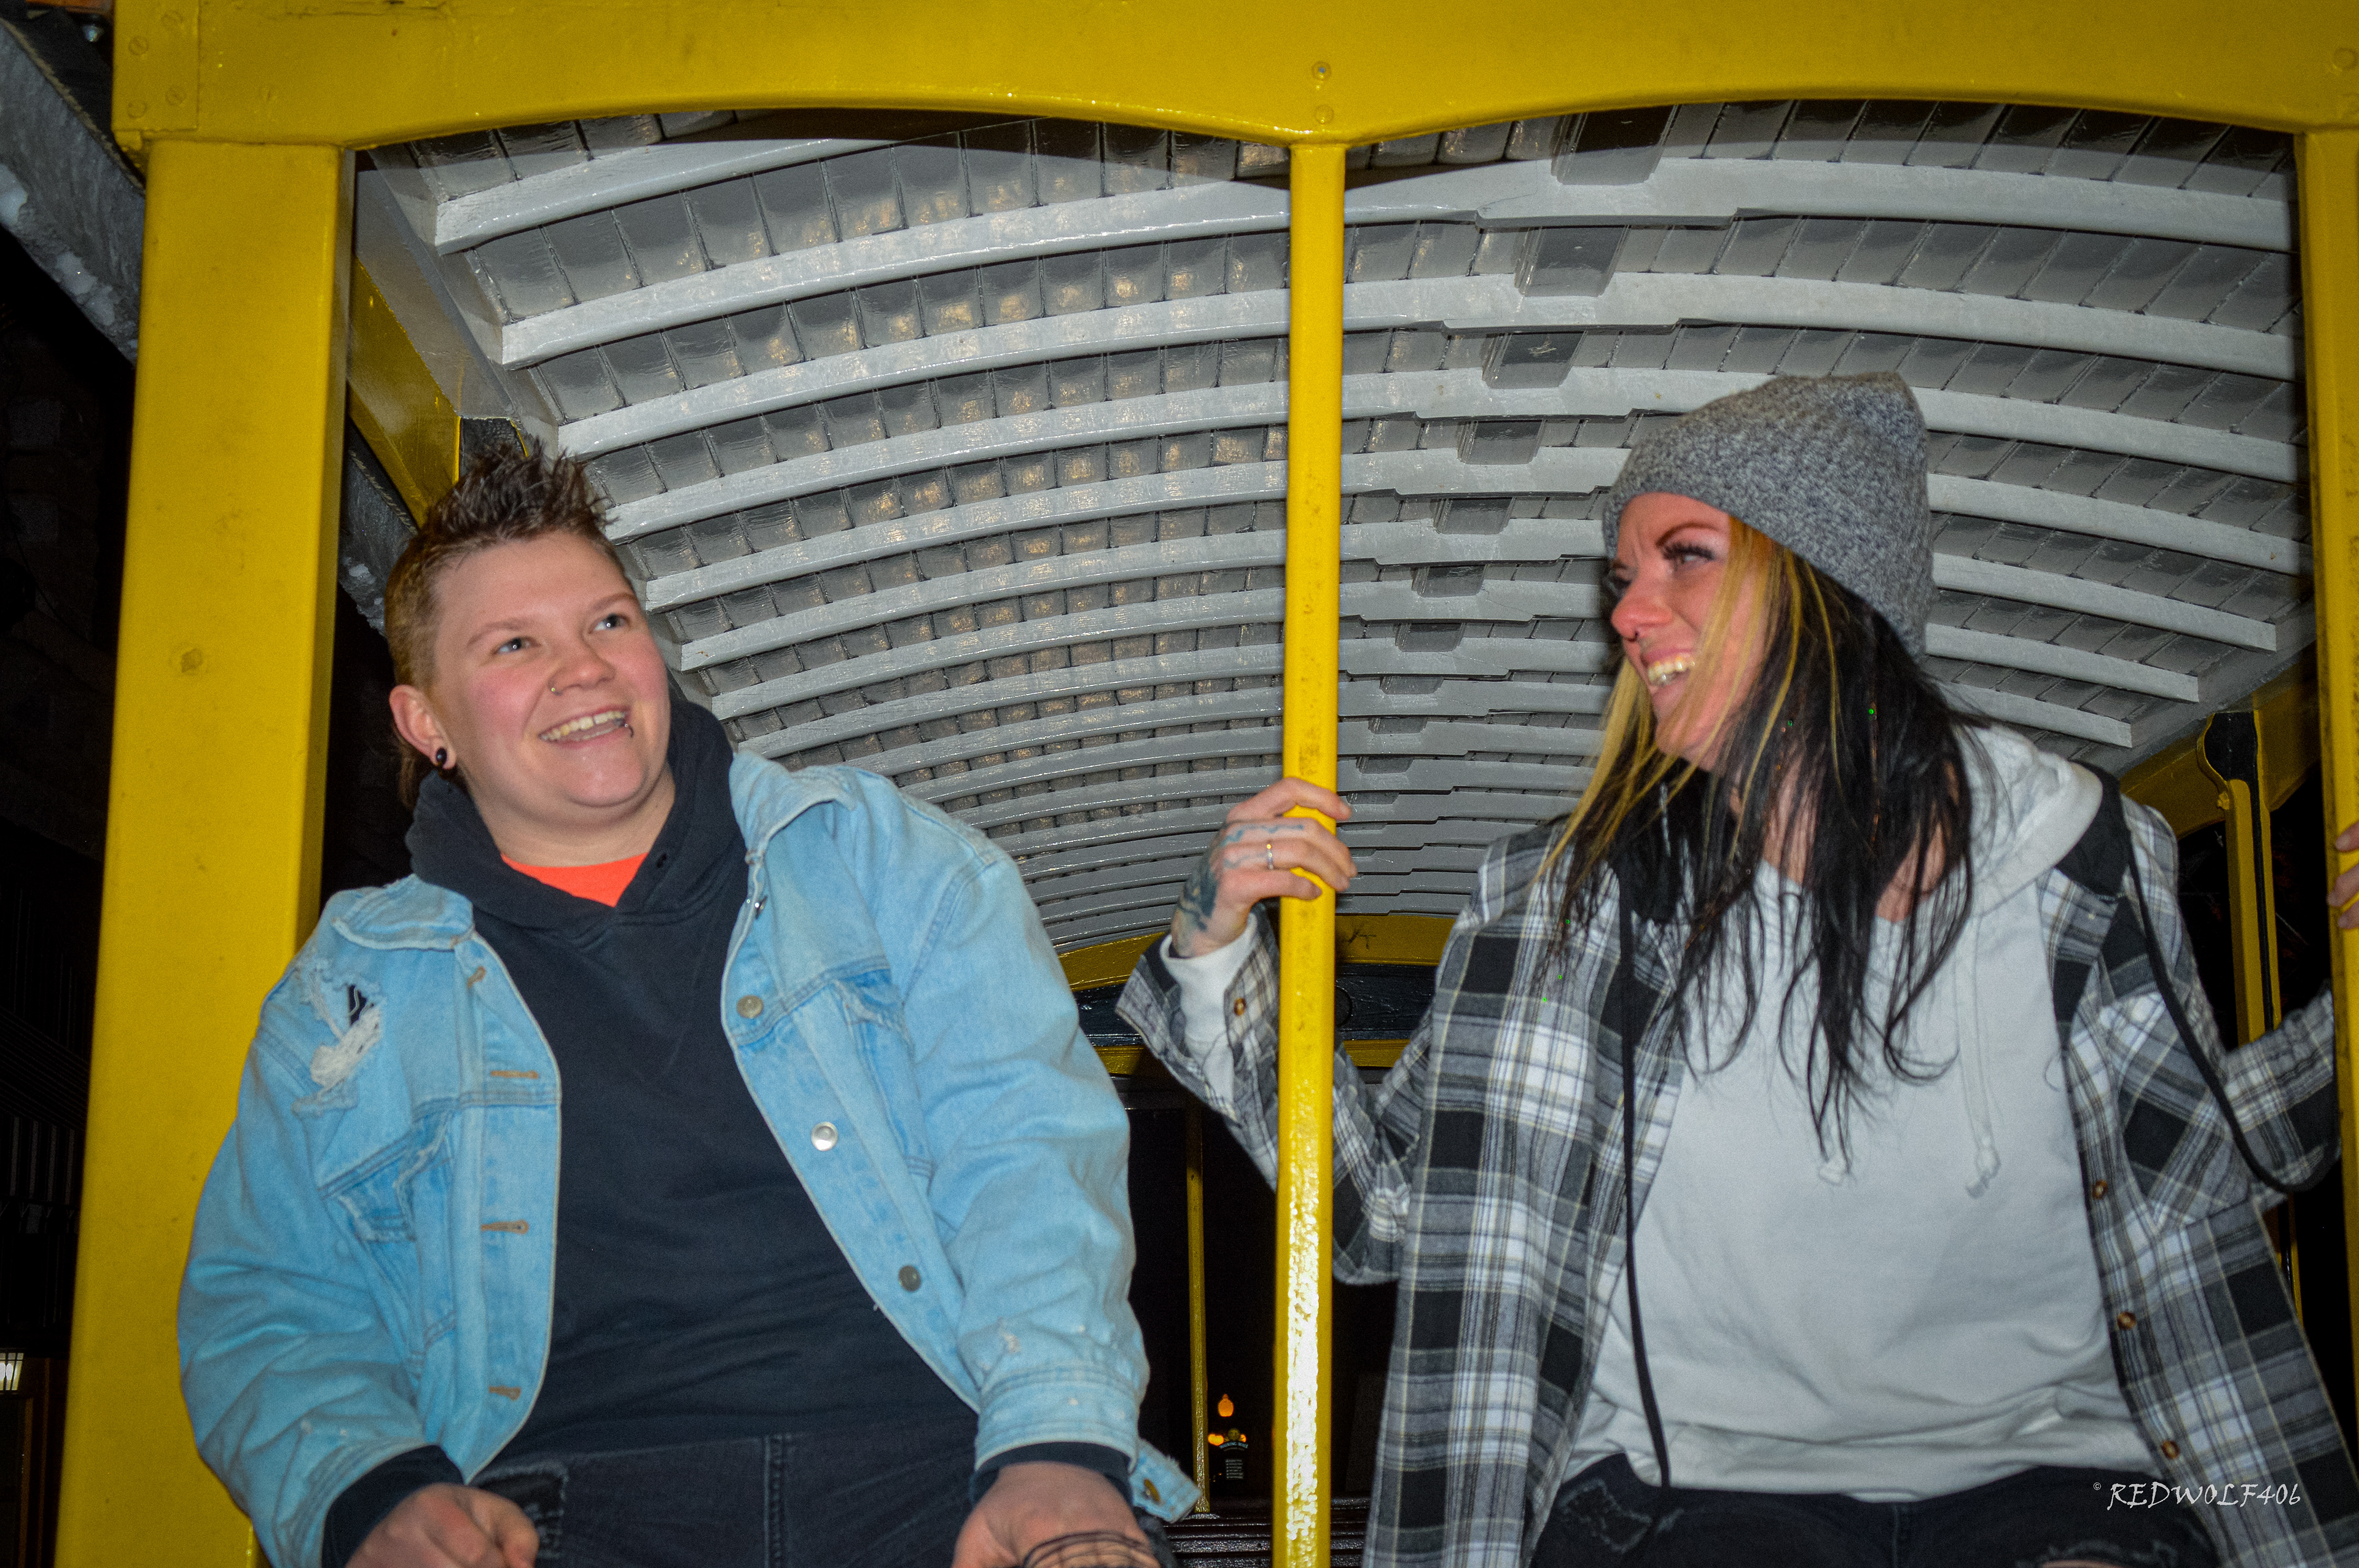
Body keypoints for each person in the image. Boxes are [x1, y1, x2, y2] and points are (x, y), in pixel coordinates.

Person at [1120, 372, 2359, 1568]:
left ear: (1826, 578)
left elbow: (2196, 1171)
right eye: (1624, 578)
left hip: (2064, 1471)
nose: (1628, 613)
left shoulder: (2077, 857)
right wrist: (1223, 958)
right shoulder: (1568, 905)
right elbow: (1388, 1216)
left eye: (1686, 557)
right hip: (1692, 1490)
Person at [179, 449, 1195, 1568]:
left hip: (933, 1473)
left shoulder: (883, 862)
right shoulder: (349, 992)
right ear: (428, 722)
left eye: (608, 622)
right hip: (557, 1512)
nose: (584, 668)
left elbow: (1029, 1156)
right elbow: (271, 1298)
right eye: (515, 645)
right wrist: (370, 1489)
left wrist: (1055, 1445)